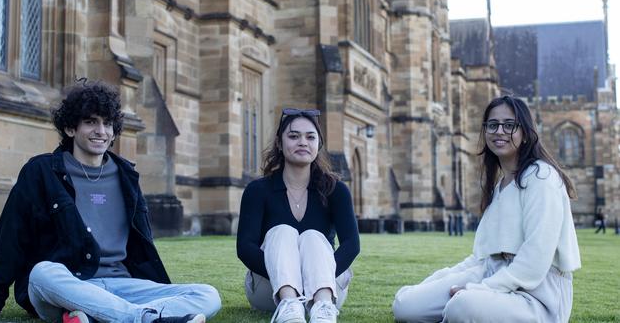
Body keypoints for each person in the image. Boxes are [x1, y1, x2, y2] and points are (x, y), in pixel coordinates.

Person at [0, 80, 221, 323]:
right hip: (68, 284)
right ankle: (142, 317)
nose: (101, 131)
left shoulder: (127, 176)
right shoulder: (42, 172)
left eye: (107, 124)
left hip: (123, 284)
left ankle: (96, 315)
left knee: (207, 294)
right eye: (90, 122)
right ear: (70, 128)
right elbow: (11, 238)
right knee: (42, 272)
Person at [392, 95, 581, 322]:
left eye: (509, 125)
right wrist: (436, 283)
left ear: (525, 133)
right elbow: (481, 257)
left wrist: (480, 290)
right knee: (406, 306)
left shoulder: (542, 176)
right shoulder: (500, 186)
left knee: (461, 306)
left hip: (538, 294)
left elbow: (536, 259)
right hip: (492, 272)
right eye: (493, 125)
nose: (499, 131)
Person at [236, 108, 360, 323]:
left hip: (326, 290)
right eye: (294, 136)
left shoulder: (336, 190)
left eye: (310, 137)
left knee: (312, 236)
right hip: (270, 290)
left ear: (318, 144)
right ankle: (289, 307)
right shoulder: (257, 190)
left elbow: (351, 245)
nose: (303, 142)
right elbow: (245, 248)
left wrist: (316, 278)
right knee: (282, 231)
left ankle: (322, 309)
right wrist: (287, 275)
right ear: (279, 143)